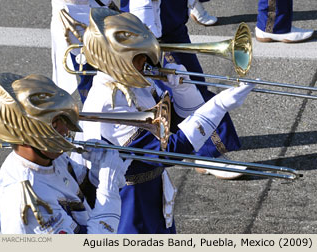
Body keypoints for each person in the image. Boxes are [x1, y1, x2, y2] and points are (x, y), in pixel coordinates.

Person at [70, 8, 255, 234]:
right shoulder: (109, 102)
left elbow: (178, 124)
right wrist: (218, 105)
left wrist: (184, 89)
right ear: (117, 61)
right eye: (139, 58)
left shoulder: (134, 82)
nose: (147, 63)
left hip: (151, 188)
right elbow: (170, 150)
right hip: (127, 201)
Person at [0, 73, 131, 234]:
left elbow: (83, 196)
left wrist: (98, 171)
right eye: (55, 124)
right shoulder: (28, 200)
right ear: (29, 131)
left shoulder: (51, 159)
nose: (65, 131)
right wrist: (109, 187)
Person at [120, 0, 244, 179]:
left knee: (190, 87)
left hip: (170, 21)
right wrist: (147, 38)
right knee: (183, 90)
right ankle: (206, 153)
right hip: (155, 28)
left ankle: (200, 147)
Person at [51, 0, 118, 103]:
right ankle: (94, 116)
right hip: (77, 15)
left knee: (114, 74)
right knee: (93, 78)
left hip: (102, 11)